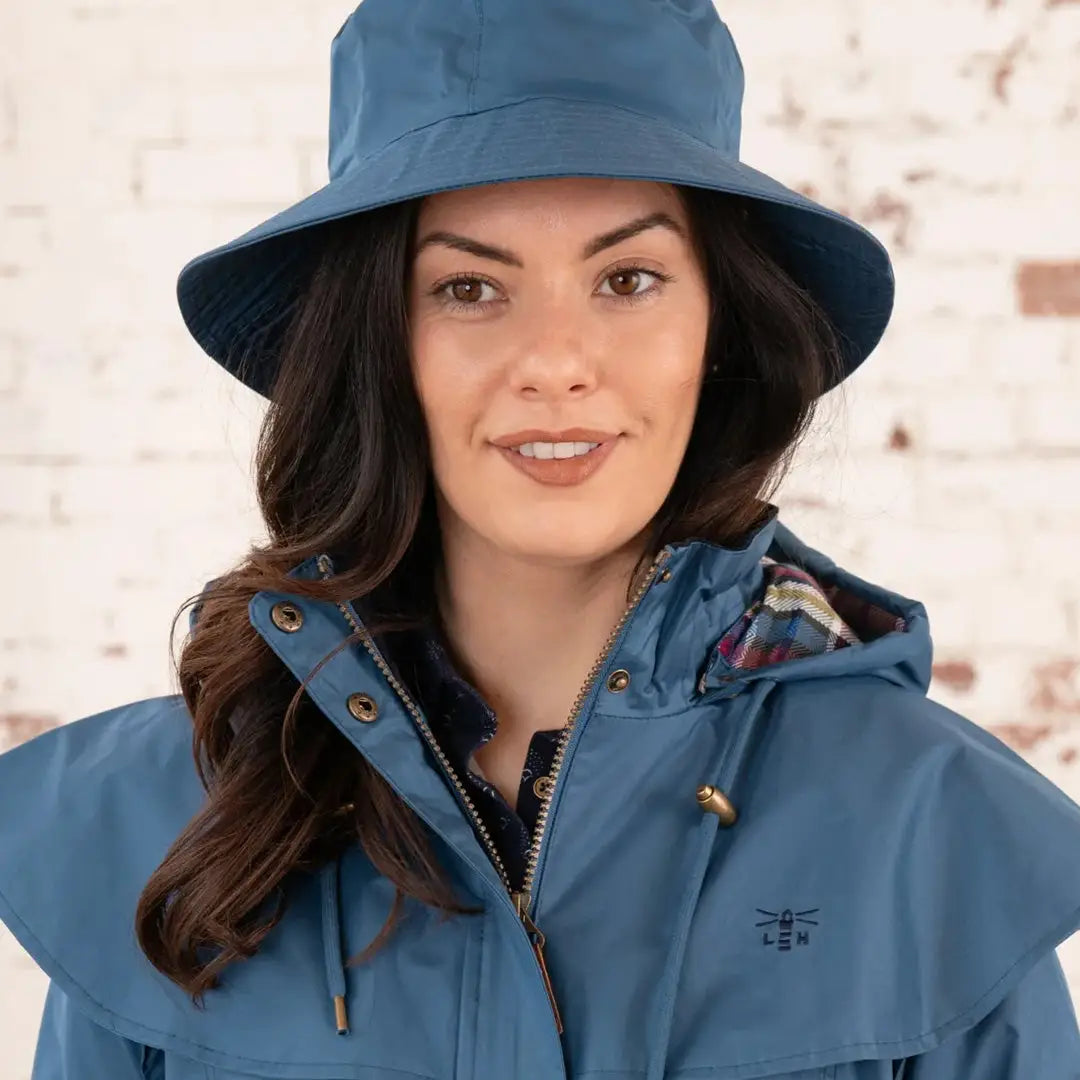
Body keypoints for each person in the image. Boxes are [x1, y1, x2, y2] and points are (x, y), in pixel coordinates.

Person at [2, 1, 1079, 1077]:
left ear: (719, 329)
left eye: (628, 280)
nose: (557, 361)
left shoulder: (931, 840)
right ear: (380, 342)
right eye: (470, 288)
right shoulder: (173, 829)